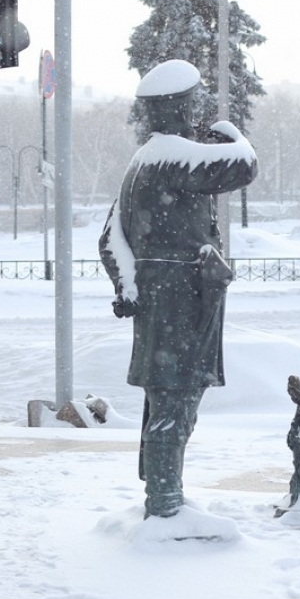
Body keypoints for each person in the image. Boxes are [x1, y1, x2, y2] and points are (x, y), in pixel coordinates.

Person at [99, 59, 258, 519]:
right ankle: (164, 501)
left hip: (163, 298)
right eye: (190, 105)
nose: (194, 114)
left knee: (166, 396)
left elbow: (109, 238)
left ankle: (163, 492)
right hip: (180, 301)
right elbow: (243, 165)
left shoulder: (142, 162)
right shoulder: (170, 155)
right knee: (176, 397)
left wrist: (128, 286)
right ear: (179, 109)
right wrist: (229, 133)